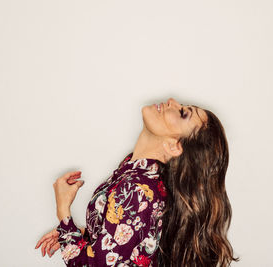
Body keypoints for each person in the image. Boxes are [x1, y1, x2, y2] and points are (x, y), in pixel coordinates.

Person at [35, 97, 239, 266]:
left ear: (174, 146)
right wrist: (76, 234)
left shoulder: (138, 189)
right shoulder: (138, 171)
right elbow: (132, 243)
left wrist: (63, 212)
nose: (171, 101)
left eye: (182, 113)